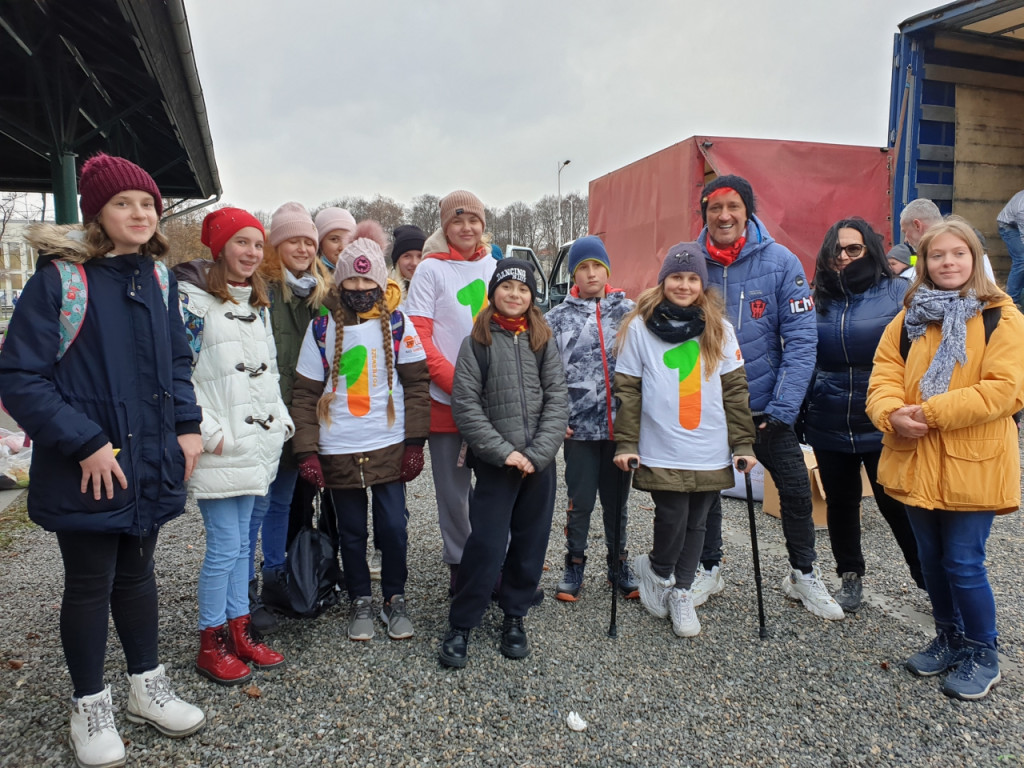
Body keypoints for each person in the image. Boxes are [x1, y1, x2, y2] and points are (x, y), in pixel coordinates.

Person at [0, 154, 206, 767]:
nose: (139, 213)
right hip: (89, 460)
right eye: (124, 203)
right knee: (90, 585)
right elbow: (19, 376)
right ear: (98, 213)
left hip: (149, 460)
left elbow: (175, 363)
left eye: (147, 203)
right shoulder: (61, 282)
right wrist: (83, 441)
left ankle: (147, 685)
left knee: (139, 576)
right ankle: (89, 704)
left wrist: (188, 426)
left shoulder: (160, 280)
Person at [866, 217, 1024, 701]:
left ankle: (983, 651)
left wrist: (929, 413)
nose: (948, 262)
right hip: (915, 456)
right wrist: (891, 415)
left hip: (971, 461)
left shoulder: (1002, 316)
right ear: (924, 263)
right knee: (931, 561)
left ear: (975, 260)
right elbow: (883, 375)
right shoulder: (911, 315)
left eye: (958, 253)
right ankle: (948, 636)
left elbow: (1005, 391)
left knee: (963, 561)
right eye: (938, 255)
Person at [691, 175, 843, 621]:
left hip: (765, 410)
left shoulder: (781, 262)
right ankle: (709, 566)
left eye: (733, 206)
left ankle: (802, 574)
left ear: (747, 211)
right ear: (704, 214)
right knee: (706, 494)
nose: (724, 215)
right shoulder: (691, 261)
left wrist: (782, 409)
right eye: (714, 207)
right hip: (708, 407)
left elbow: (800, 340)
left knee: (796, 492)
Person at [290, 221, 430, 640]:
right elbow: (304, 394)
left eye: (367, 278)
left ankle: (394, 596)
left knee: (393, 527)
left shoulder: (399, 324)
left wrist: (415, 444)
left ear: (381, 279)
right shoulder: (321, 328)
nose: (359, 286)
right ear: (339, 279)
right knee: (350, 531)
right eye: (351, 276)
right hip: (339, 447)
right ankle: (360, 599)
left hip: (387, 443)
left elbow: (418, 386)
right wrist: (307, 452)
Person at [612, 243, 756, 637]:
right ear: (663, 281)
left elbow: (735, 391)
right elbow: (627, 390)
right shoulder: (639, 327)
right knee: (672, 514)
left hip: (709, 444)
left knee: (698, 522)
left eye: (693, 278)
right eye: (676, 277)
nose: (684, 284)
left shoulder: (720, 329)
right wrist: (626, 443)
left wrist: (743, 444)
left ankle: (682, 591)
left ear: (702, 284)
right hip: (661, 443)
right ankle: (658, 570)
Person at [175, 208, 292, 684]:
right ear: (219, 247)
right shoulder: (189, 302)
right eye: (241, 242)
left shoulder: (257, 302)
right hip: (222, 444)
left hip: (258, 442)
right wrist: (209, 433)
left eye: (257, 244)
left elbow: (271, 370)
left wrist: (279, 420)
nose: (251, 252)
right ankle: (211, 641)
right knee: (224, 546)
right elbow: (178, 373)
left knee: (245, 543)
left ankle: (240, 630)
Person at [439, 260, 568, 667]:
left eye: (523, 289)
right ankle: (462, 622)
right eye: (507, 287)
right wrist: (502, 452)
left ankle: (515, 615)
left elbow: (557, 399)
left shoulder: (542, 339)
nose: (515, 294)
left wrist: (537, 453)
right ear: (494, 292)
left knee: (530, 542)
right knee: (487, 544)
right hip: (497, 463)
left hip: (538, 464)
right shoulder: (476, 342)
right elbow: (466, 405)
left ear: (533, 296)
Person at [804, 218, 924, 613]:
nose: (843, 257)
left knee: (896, 502)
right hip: (829, 413)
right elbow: (802, 356)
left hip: (882, 414)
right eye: (836, 250)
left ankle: (928, 580)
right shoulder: (817, 295)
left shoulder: (898, 292)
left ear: (870, 250)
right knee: (841, 501)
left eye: (853, 249)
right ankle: (849, 576)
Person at [405, 191, 497, 595]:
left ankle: (495, 560)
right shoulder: (430, 271)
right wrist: (457, 383)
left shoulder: (496, 267)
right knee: (454, 491)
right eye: (457, 221)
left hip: (494, 400)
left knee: (496, 487)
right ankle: (460, 563)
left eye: (473, 220)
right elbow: (419, 336)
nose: (466, 228)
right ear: (445, 227)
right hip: (446, 399)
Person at [248, 202, 331, 629]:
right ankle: (242, 589)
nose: (302, 248)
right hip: (264, 414)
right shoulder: (259, 290)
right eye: (293, 240)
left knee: (281, 501)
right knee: (255, 506)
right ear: (276, 244)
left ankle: (275, 575)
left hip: (301, 415)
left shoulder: (321, 292)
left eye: (308, 242)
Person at [545, 236, 639, 601]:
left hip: (619, 428)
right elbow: (548, 374)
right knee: (580, 499)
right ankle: (575, 561)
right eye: (583, 267)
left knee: (618, 502)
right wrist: (556, 417)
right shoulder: (556, 318)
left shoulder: (629, 312)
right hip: (579, 429)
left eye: (597, 266)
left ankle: (618, 561)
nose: (591, 273)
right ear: (574, 275)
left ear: (607, 270)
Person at [899, 199, 996, 282]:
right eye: (937, 256)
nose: (905, 240)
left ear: (917, 225)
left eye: (959, 254)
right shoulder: (971, 243)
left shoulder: (907, 280)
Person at [997, 188, 1024, 305]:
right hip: (1008, 226)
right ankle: (1012, 301)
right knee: (1021, 260)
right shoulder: (1022, 209)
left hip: (1018, 225)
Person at [390, 223, 426, 307]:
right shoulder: (387, 295)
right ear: (397, 262)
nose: (414, 263)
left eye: (420, 256)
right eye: (407, 256)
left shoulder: (438, 291)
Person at [314, 207, 356, 275]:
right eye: (334, 239)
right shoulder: (309, 282)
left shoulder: (366, 276)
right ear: (320, 244)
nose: (342, 248)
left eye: (348, 240)